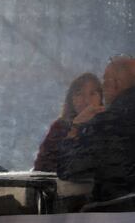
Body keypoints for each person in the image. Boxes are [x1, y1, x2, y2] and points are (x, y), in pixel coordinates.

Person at [58, 57, 135, 202]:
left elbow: (69, 170)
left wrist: (75, 127)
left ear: (116, 85)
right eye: (79, 93)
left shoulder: (107, 123)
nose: (104, 87)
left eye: (105, 82)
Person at [34, 73, 104, 172]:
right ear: (71, 99)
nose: (86, 100)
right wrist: (75, 127)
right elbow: (43, 167)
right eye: (79, 94)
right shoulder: (59, 127)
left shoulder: (109, 124)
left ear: (101, 97)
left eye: (92, 93)